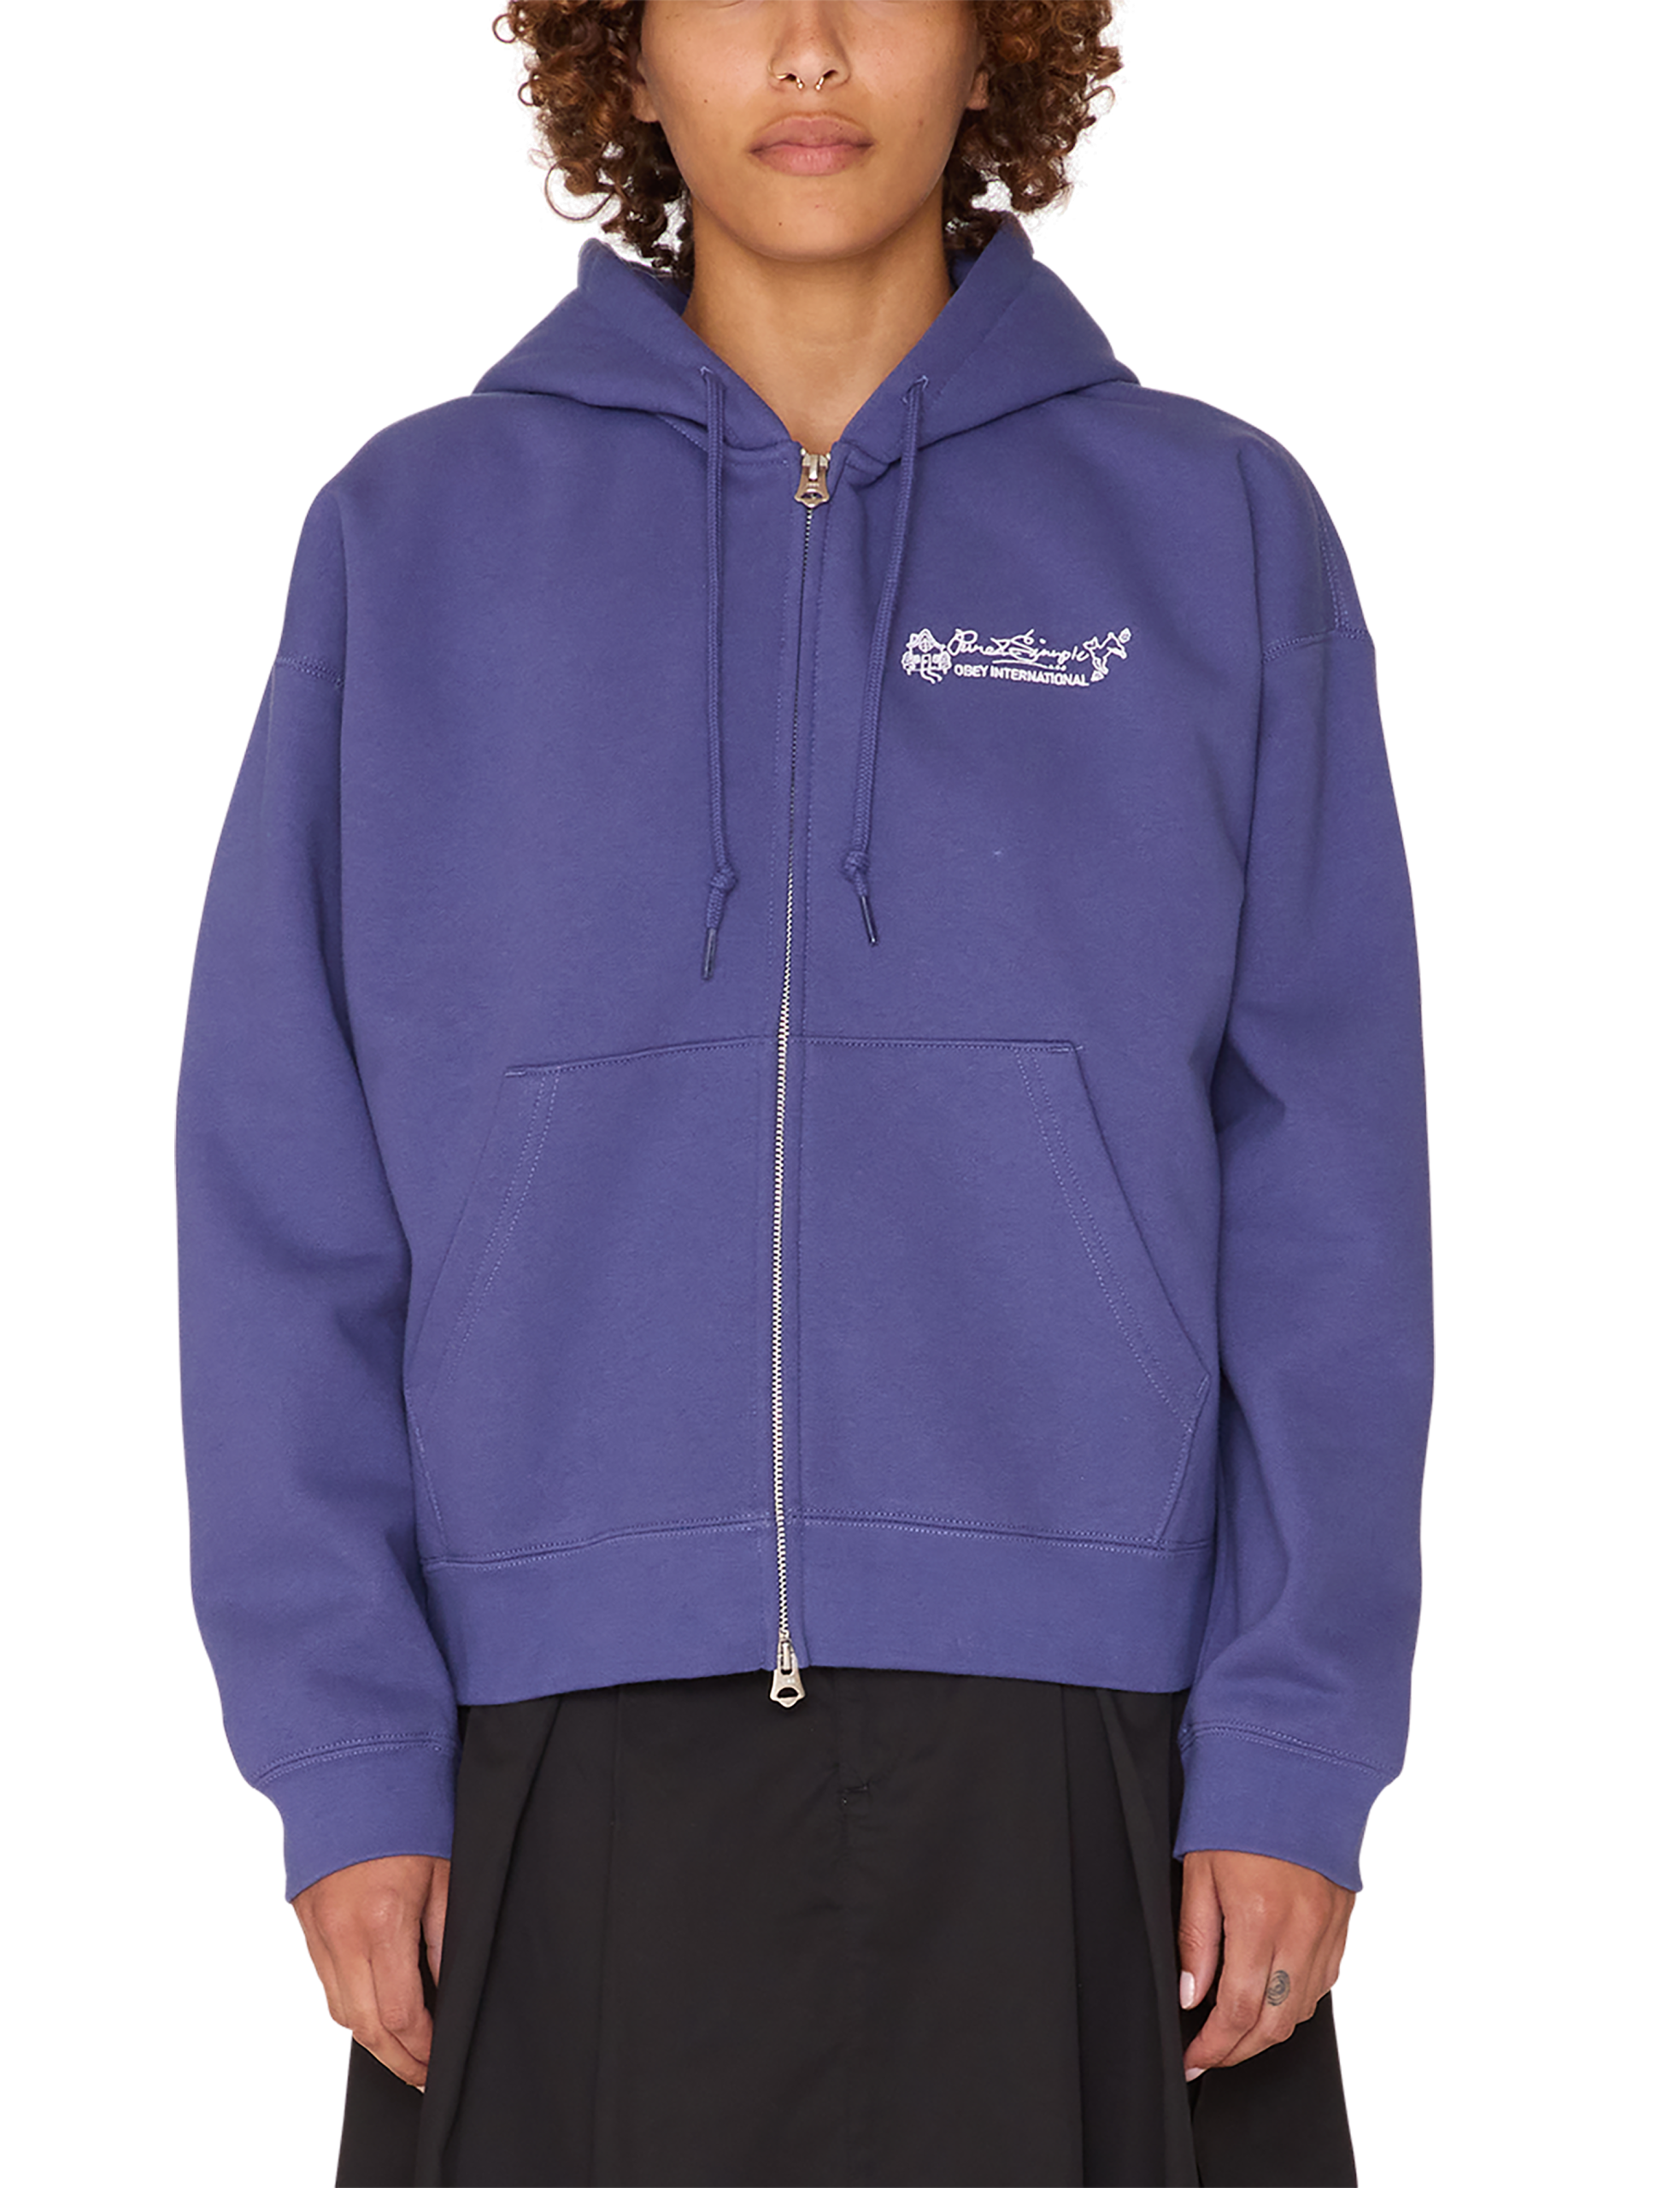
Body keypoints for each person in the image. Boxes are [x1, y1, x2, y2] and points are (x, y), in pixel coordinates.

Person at [174, 0, 1432, 2180]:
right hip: (540, 1752)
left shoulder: (1215, 526)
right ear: (625, 57)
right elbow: (282, 1186)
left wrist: (1295, 1741)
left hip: (1094, 1750)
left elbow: (1332, 1188)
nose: (813, 48)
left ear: (998, 47)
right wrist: (345, 1752)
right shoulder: (412, 534)